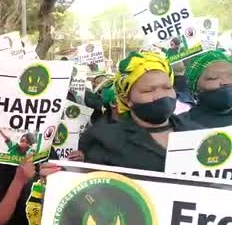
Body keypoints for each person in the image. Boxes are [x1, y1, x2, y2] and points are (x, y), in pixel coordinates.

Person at [45, 52, 202, 175]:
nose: (161, 95)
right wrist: (60, 176)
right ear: (127, 99)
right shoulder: (103, 140)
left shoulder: (200, 133)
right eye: (149, 90)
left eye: (167, 87)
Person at [181, 50, 232, 128]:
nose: (226, 82)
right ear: (195, 88)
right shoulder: (183, 126)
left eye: (230, 75)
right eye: (213, 78)